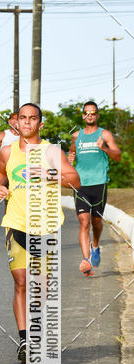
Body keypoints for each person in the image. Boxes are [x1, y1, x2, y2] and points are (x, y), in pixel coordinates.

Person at [0, 103, 80, 363]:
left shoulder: (51, 152)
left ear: (40, 124)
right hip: (16, 223)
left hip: (46, 225)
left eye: (33, 119)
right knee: (21, 282)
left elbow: (74, 180)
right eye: (23, 118)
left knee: (39, 288)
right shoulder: (7, 152)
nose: (27, 123)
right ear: (16, 123)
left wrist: (48, 174)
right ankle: (24, 340)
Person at [68, 100, 121, 277]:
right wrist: (68, 164)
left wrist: (104, 148)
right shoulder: (76, 136)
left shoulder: (104, 134)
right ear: (83, 116)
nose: (89, 115)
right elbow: (71, 155)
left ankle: (95, 246)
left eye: (93, 113)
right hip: (80, 185)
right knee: (84, 222)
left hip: (99, 184)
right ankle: (86, 260)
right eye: (86, 113)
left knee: (96, 222)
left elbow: (118, 156)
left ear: (97, 115)